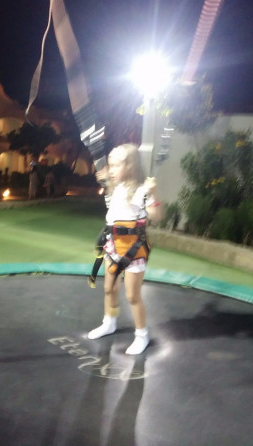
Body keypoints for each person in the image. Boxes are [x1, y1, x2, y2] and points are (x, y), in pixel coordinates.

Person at [87, 144, 162, 355]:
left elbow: (156, 217)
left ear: (130, 167)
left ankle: (142, 335)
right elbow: (107, 181)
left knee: (132, 295)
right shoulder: (115, 187)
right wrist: (105, 177)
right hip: (112, 245)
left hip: (133, 249)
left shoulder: (141, 191)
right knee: (109, 289)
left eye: (115, 166)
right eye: (110, 165)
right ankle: (109, 322)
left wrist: (153, 194)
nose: (110, 170)